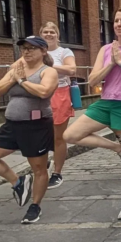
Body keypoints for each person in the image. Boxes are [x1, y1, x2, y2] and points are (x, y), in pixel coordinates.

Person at [64, 9, 121, 219]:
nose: (118, 24)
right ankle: (116, 147)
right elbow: (93, 80)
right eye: (116, 21)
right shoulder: (106, 49)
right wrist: (112, 62)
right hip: (107, 102)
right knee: (70, 135)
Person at [0, 37, 59, 224]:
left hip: (36, 126)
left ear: (43, 51)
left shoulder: (48, 71)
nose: (27, 51)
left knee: (39, 168)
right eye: (24, 48)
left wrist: (21, 81)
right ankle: (18, 182)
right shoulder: (16, 70)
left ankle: (35, 206)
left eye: (32, 48)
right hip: (12, 125)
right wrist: (13, 78)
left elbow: (44, 92)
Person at [40, 22, 76, 189]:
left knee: (58, 136)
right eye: (45, 32)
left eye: (52, 32)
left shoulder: (64, 52)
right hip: (39, 94)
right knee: (39, 134)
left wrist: (47, 66)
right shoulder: (36, 51)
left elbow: (71, 70)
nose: (49, 34)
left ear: (57, 35)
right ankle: (42, 166)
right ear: (41, 34)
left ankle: (57, 172)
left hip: (59, 93)